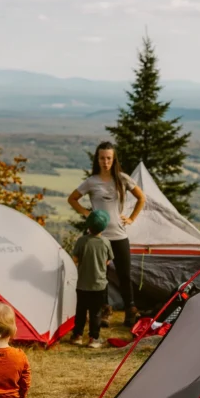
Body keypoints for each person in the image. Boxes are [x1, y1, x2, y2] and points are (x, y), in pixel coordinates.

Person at [67, 142, 145, 327]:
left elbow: (141, 198)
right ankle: (105, 310)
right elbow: (72, 199)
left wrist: (131, 218)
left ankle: (130, 310)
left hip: (119, 235)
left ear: (114, 159)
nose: (105, 162)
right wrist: (87, 213)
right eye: (102, 158)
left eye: (109, 158)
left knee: (124, 274)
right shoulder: (91, 181)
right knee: (101, 275)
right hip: (98, 237)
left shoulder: (122, 179)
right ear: (97, 159)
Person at [70, 210, 113, 349]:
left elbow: (74, 259)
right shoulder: (106, 242)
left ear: (88, 226)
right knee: (96, 313)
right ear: (104, 227)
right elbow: (108, 261)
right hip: (99, 285)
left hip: (82, 284)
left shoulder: (82, 241)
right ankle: (94, 339)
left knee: (81, 311)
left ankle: (77, 336)